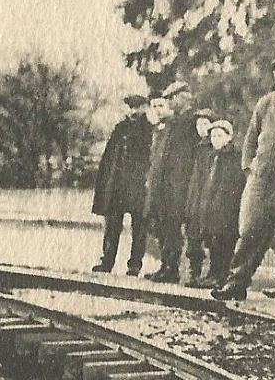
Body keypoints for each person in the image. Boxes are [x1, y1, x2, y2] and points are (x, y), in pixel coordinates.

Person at [212, 56, 275, 302]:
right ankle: (236, 282)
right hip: (261, 178)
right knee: (250, 229)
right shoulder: (265, 103)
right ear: (274, 77)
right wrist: (248, 167)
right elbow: (251, 138)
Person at [90, 94, 152, 275]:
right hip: (117, 186)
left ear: (144, 108)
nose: (133, 111)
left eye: (137, 107)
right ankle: (107, 261)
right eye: (130, 107)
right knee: (112, 226)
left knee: (139, 226)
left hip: (138, 186)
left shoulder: (148, 130)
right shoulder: (120, 129)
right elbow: (109, 158)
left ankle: (134, 264)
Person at [142, 81, 198, 282]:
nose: (170, 102)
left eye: (172, 97)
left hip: (180, 183)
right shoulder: (171, 124)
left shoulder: (192, 120)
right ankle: (167, 266)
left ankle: (174, 269)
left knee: (174, 225)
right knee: (164, 224)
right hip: (164, 183)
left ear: (183, 97)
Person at [185, 119, 246, 289]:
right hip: (209, 207)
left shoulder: (235, 157)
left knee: (224, 242)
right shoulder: (210, 157)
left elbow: (235, 184)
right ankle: (213, 273)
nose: (216, 139)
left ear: (229, 137)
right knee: (212, 242)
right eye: (213, 136)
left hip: (227, 209)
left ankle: (221, 275)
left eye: (220, 135)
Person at [181, 110, 217, 284]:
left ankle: (214, 274)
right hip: (195, 197)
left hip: (209, 199)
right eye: (198, 124)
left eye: (205, 123)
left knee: (212, 237)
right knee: (193, 236)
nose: (201, 127)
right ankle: (194, 273)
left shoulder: (214, 147)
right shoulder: (196, 147)